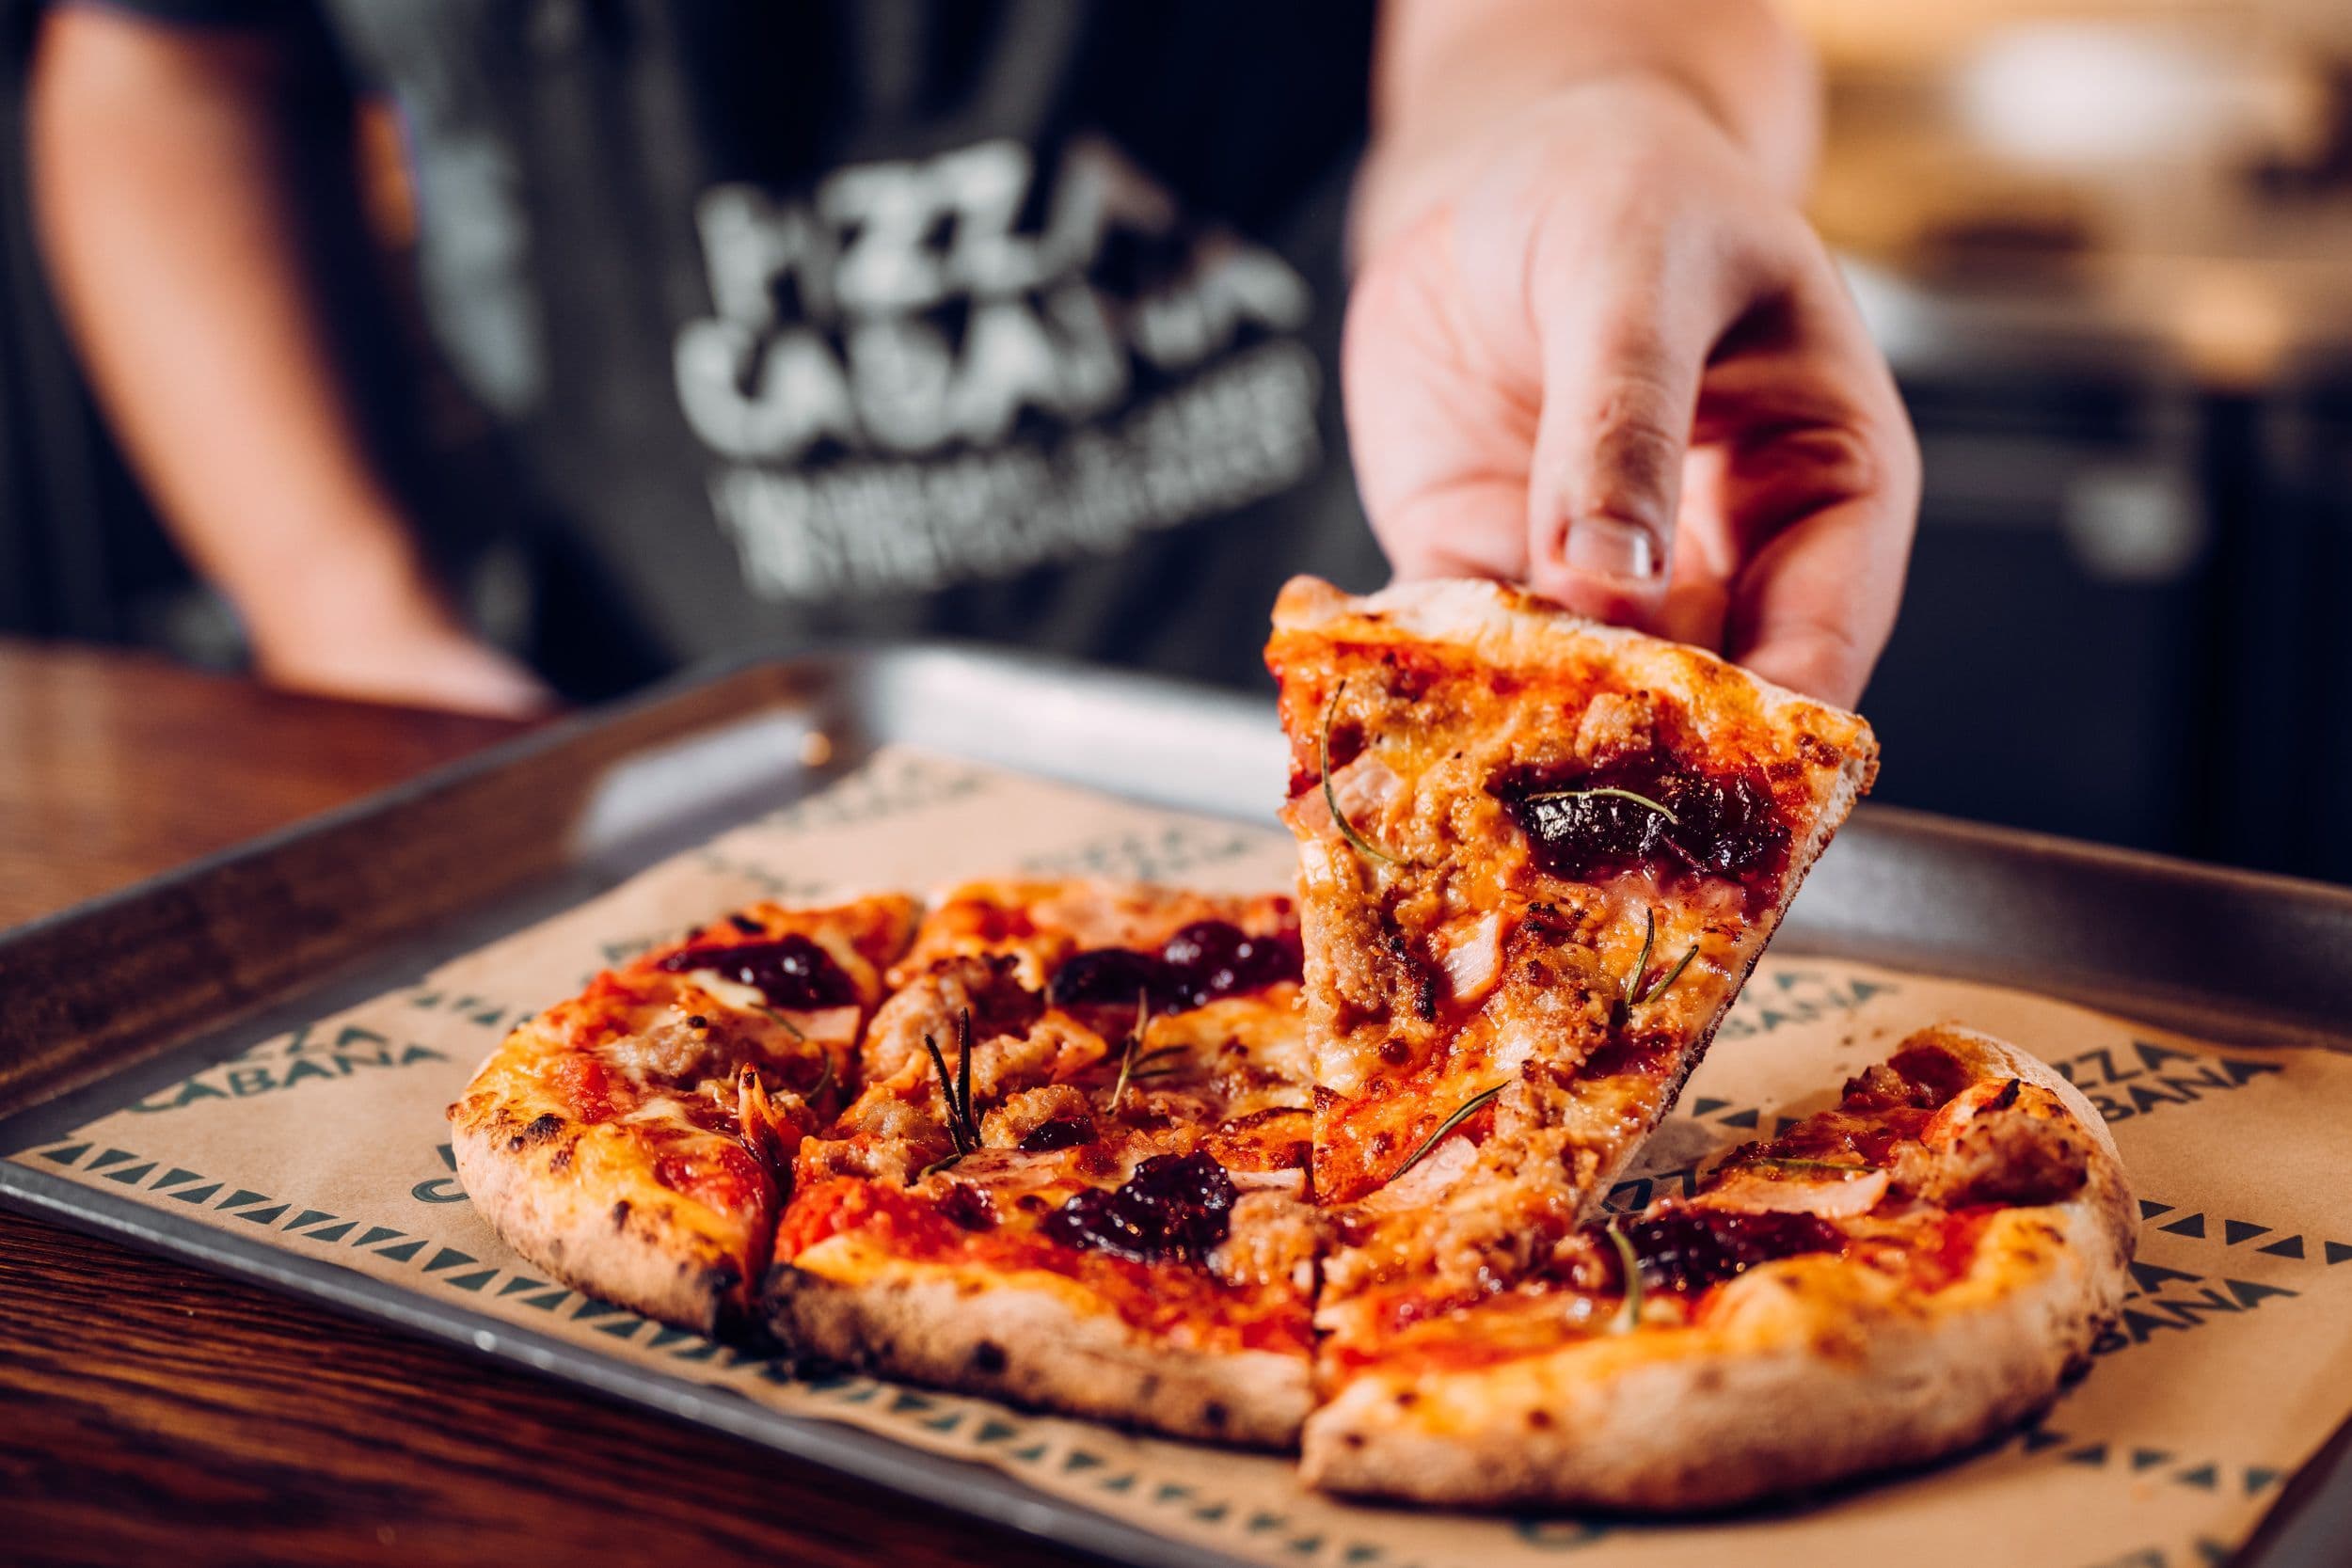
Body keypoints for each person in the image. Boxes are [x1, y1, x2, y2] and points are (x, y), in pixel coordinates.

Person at [26, 0, 1916, 716]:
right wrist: (345, 609)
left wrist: (1592, 118)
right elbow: (174, 55)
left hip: (1342, 689)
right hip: (640, 740)